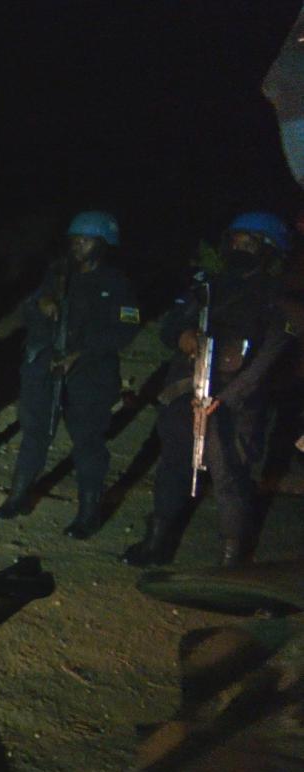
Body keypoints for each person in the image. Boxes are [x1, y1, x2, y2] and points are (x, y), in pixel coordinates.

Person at [122, 212, 296, 567]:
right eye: (236, 239)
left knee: (231, 475)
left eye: (249, 242)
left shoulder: (276, 298)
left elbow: (270, 357)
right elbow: (171, 325)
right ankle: (156, 543)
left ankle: (232, 560)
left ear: (268, 250)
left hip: (235, 404)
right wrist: (182, 335)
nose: (239, 247)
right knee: (173, 465)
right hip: (186, 391)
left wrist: (228, 399)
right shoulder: (207, 285)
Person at [0, 211, 140, 538]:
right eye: (74, 240)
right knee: (34, 432)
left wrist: (82, 352)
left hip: (90, 373)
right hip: (46, 366)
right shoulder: (58, 274)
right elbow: (29, 309)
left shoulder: (116, 283)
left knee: (87, 442)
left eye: (84, 241)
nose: (77, 247)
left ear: (102, 245)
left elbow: (124, 330)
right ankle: (17, 497)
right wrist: (42, 302)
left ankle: (89, 513)